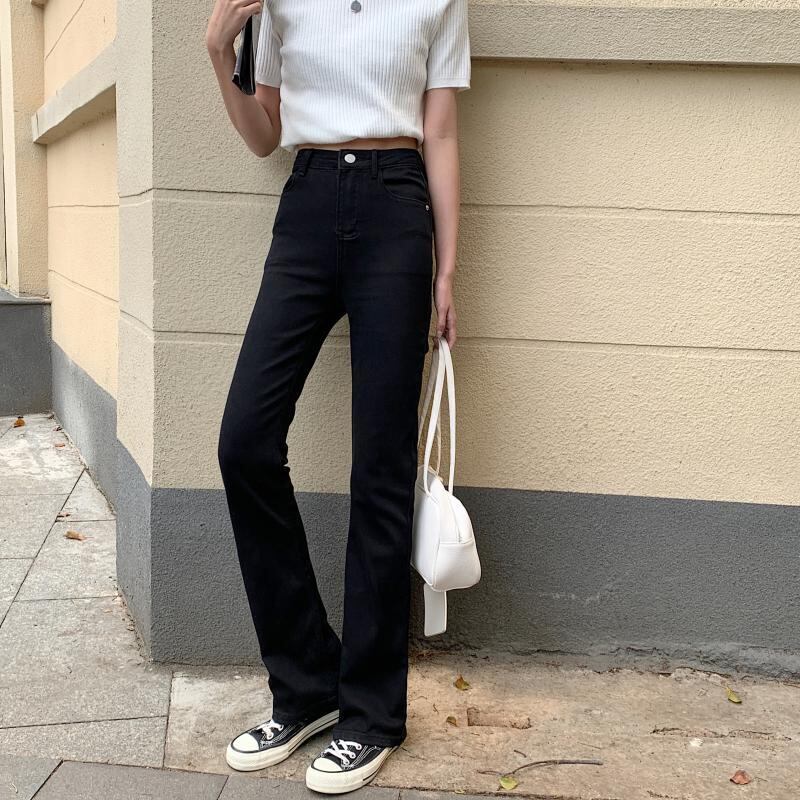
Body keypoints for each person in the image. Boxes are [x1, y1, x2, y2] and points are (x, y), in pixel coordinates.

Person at [206, 0, 470, 793]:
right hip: (308, 201)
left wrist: (447, 269)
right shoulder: (274, 4)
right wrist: (219, 52)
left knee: (380, 468)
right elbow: (264, 135)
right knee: (244, 442)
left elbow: (441, 133)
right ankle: (306, 685)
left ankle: (372, 715)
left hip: (397, 206)